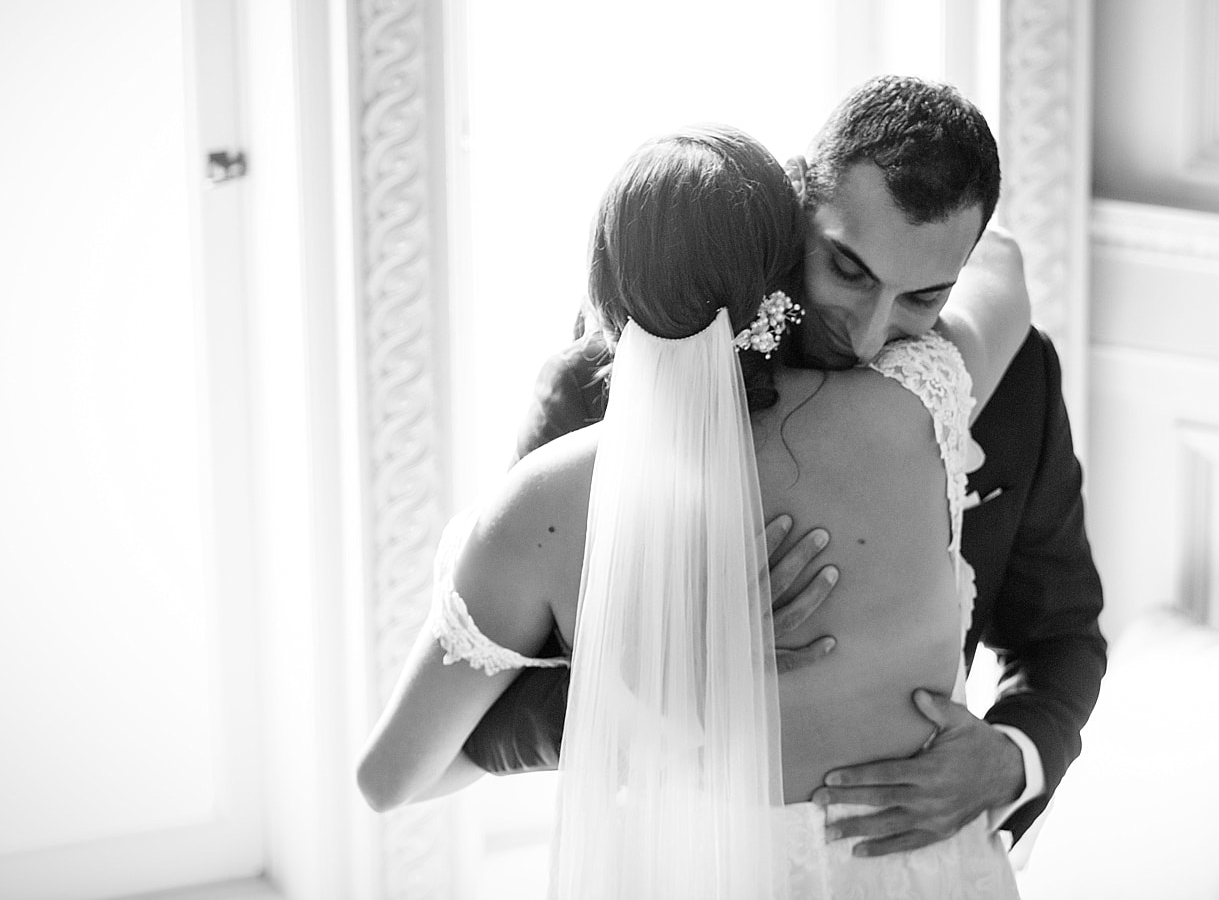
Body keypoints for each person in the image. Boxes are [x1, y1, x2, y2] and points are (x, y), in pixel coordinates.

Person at [358, 123, 1033, 897]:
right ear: (782, 277)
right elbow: (1004, 269)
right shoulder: (919, 397)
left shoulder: (541, 505)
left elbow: (391, 778)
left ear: (603, 287)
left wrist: (646, 683)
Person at [467, 76, 1107, 855]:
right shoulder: (618, 382)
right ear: (800, 199)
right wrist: (685, 667)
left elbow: (1063, 635)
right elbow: (487, 710)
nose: (873, 335)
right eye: (849, 269)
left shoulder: (1009, 380)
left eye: (922, 298)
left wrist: (1010, 760)